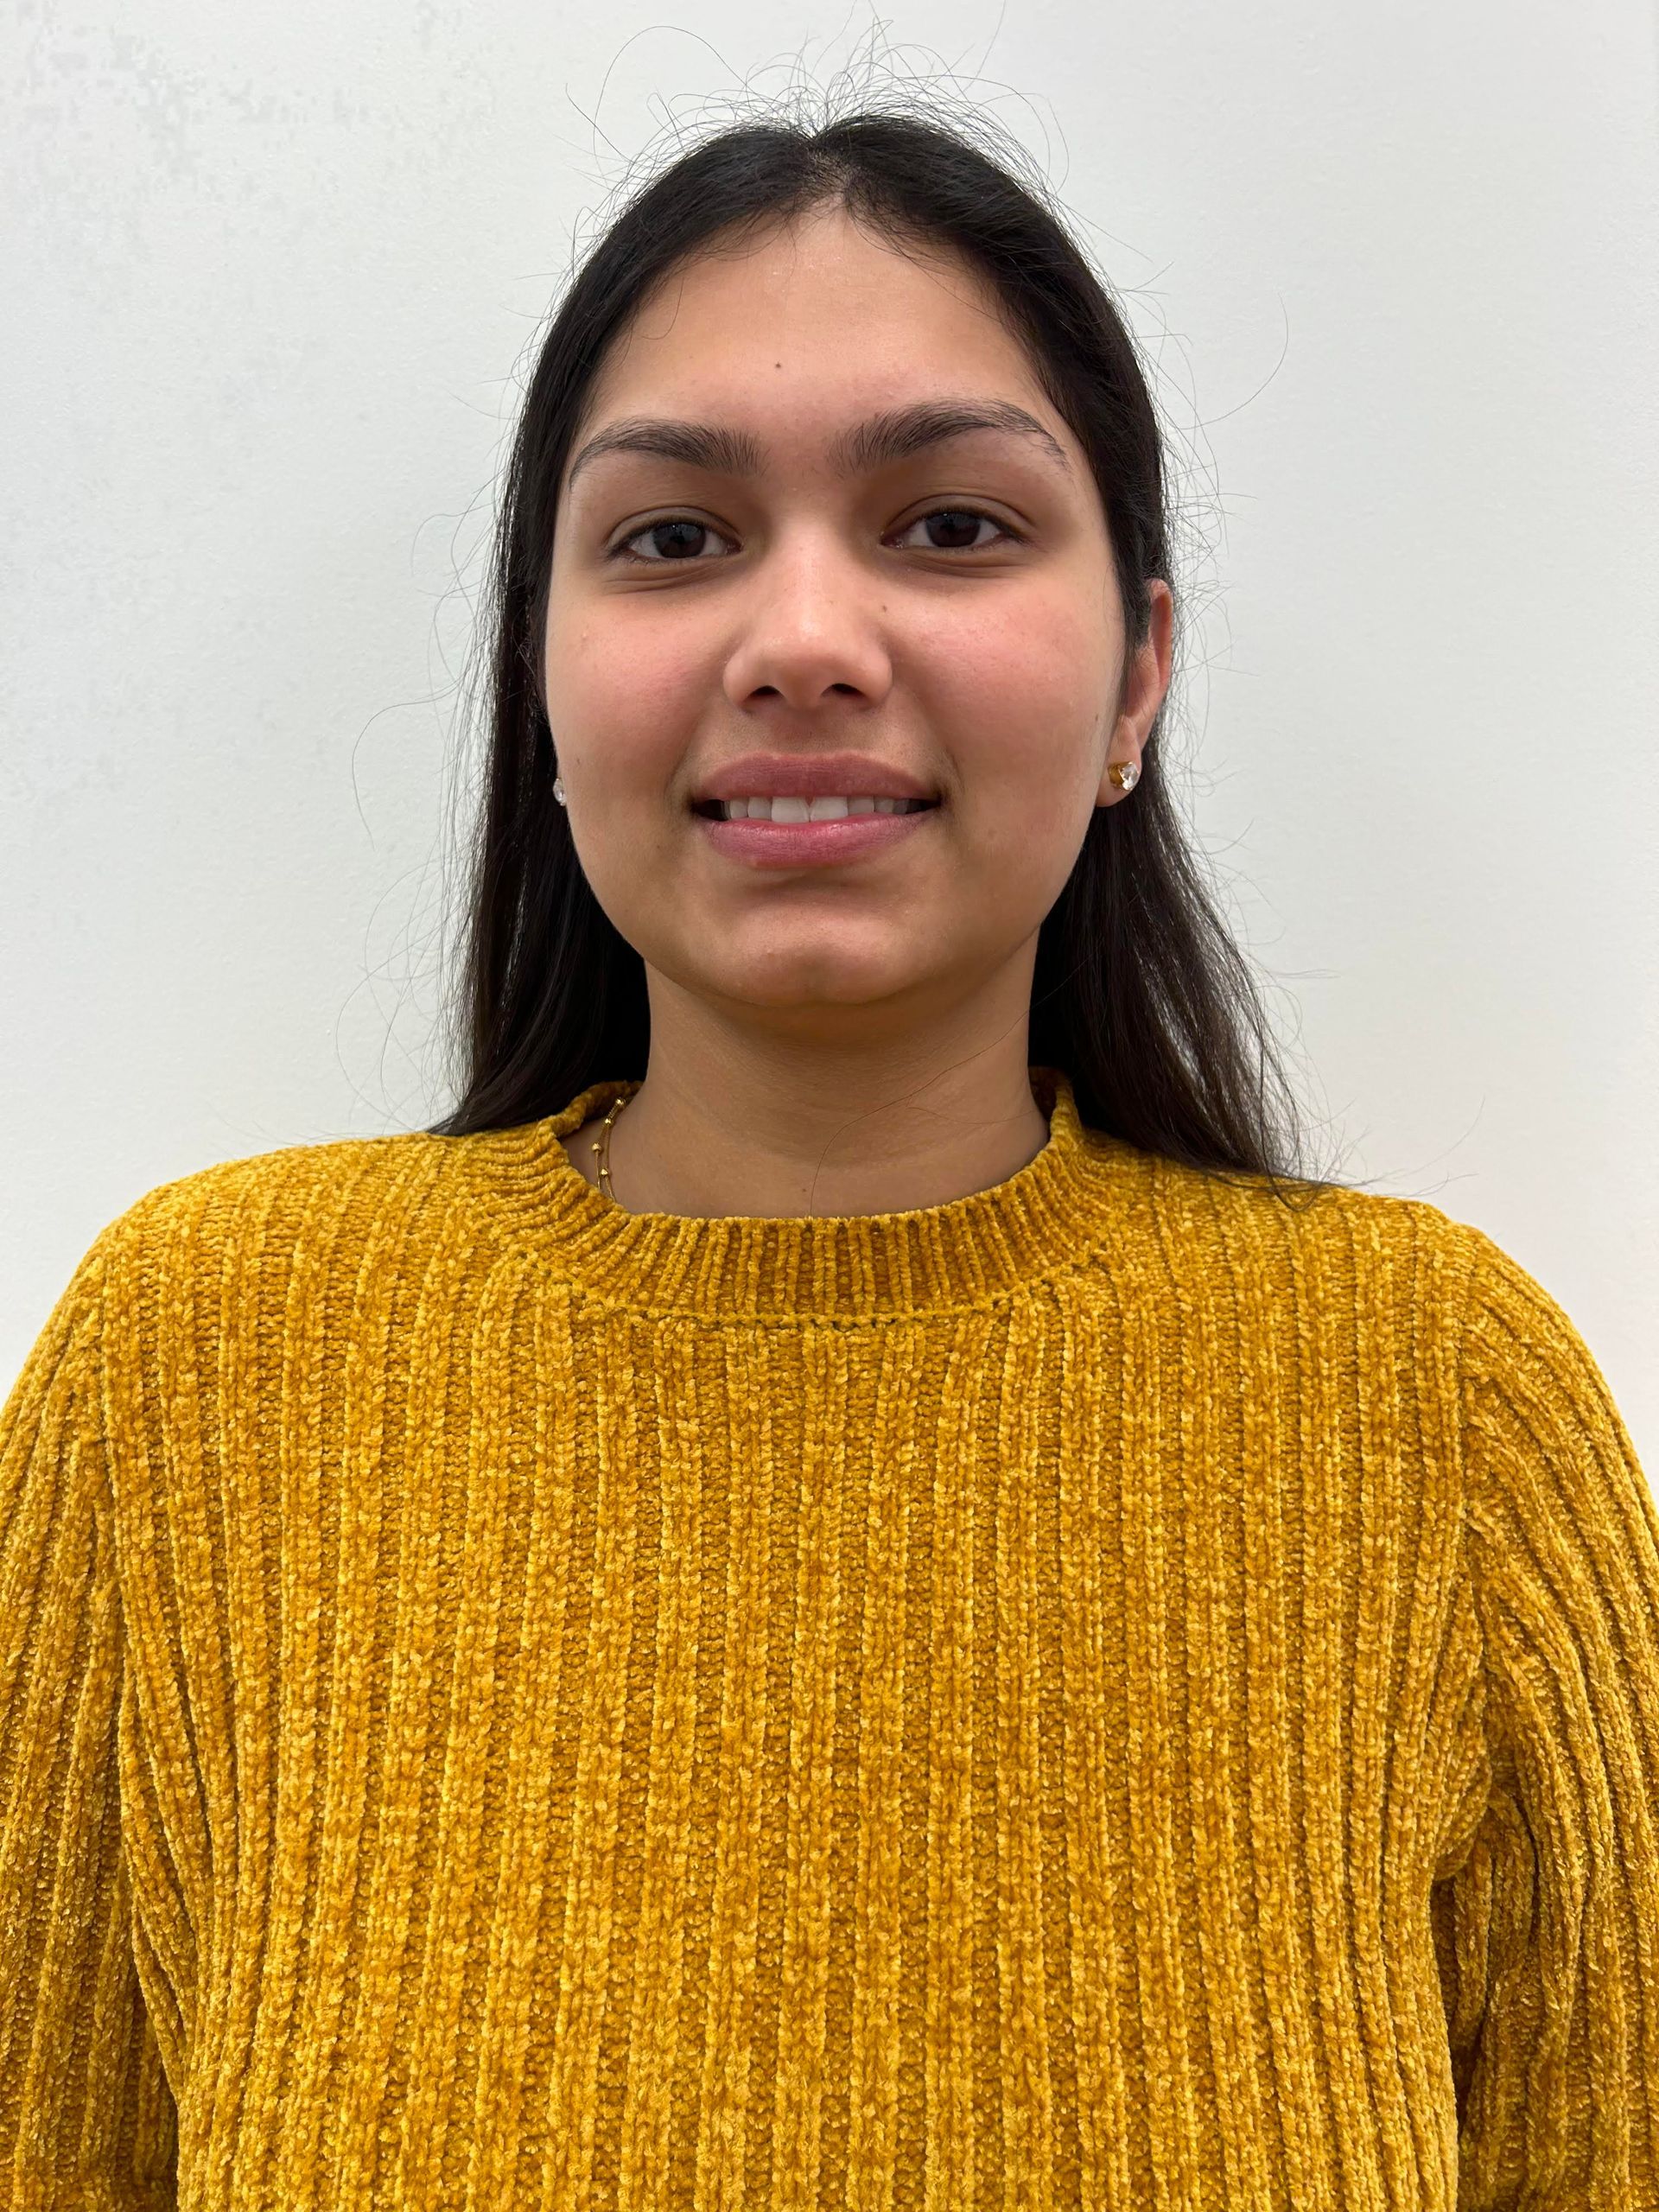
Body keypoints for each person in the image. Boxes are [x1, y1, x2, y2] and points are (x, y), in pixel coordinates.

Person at [3, 98, 1656, 2212]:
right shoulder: (193, 1380)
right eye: (673, 537)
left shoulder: (1448, 1416)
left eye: (951, 526)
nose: (802, 639)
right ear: (542, 677)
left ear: (1139, 672)